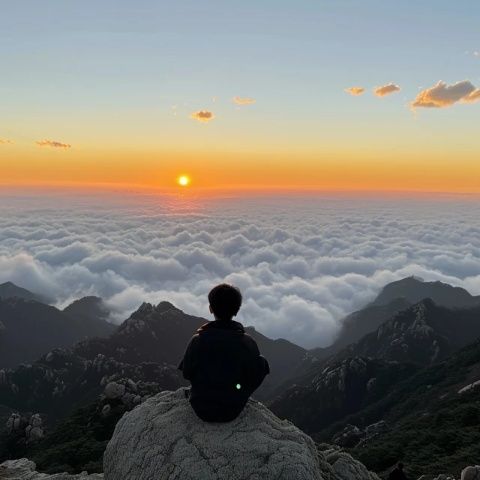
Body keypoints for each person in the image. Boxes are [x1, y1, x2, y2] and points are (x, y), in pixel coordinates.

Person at [179, 283, 270, 422]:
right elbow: (254, 372)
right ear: (236, 311)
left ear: (210, 309)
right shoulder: (247, 342)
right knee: (262, 363)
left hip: (201, 408)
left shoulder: (198, 340)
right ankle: (240, 394)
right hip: (232, 409)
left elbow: (186, 373)